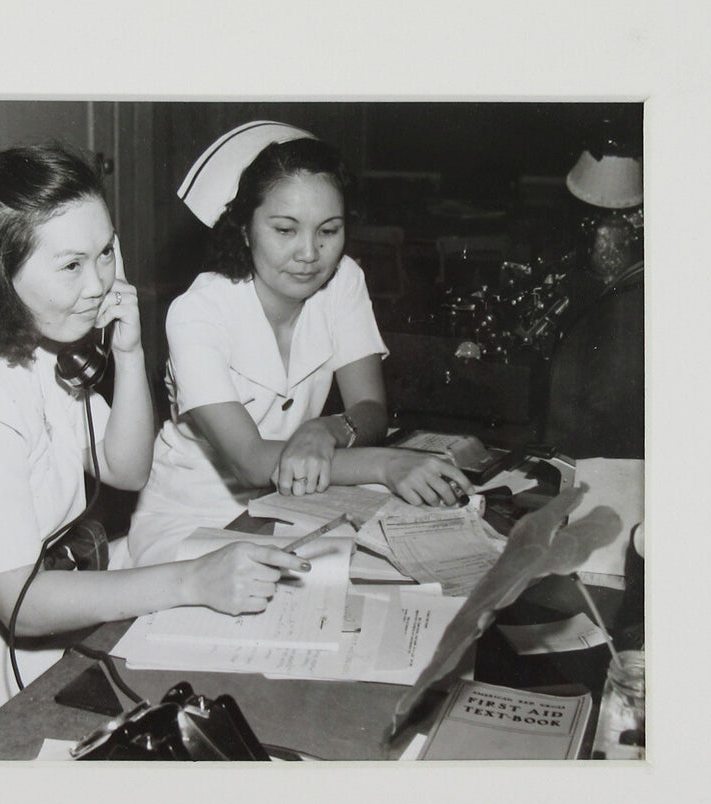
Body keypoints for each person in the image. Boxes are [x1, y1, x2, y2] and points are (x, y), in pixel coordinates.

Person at [0, 143, 308, 756]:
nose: (101, 282)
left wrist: (128, 354)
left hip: (61, 626)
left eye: (106, 251)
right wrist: (192, 579)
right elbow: (22, 605)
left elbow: (126, 470)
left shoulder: (35, 338)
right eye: (71, 265)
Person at [128, 122, 475, 566]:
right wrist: (388, 464)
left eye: (328, 231)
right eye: (285, 230)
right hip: (192, 520)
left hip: (298, 503)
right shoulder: (197, 312)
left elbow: (370, 409)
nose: (310, 254)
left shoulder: (344, 280)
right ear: (245, 229)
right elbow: (251, 461)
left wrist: (326, 429)